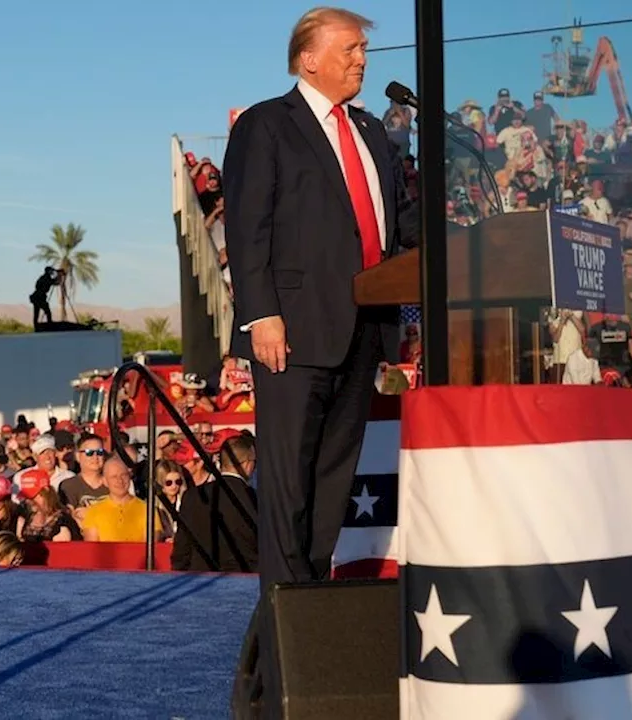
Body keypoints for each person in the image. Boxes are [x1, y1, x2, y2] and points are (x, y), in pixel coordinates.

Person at [222, 8, 418, 719]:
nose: (363, 58)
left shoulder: (372, 131)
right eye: (352, 48)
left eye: (364, 48)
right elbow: (250, 225)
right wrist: (260, 313)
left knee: (328, 503)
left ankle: (287, 653)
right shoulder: (266, 126)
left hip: (362, 335)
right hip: (293, 336)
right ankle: (282, 677)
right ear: (308, 58)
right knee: (288, 501)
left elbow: (398, 225)